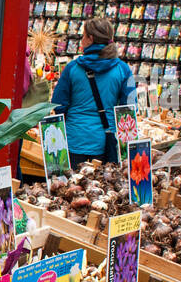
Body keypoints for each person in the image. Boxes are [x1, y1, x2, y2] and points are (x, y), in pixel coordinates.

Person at [50, 17, 135, 168]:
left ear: (91, 38)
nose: (81, 39)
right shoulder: (123, 69)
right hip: (105, 141)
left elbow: (59, 104)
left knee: (71, 186)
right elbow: (128, 110)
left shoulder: (73, 68)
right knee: (103, 187)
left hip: (74, 139)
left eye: (83, 35)